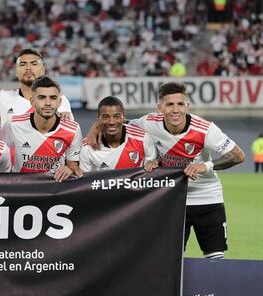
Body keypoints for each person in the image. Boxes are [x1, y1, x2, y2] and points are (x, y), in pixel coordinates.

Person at [88, 82, 245, 258]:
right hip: (172, 198)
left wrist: (206, 166)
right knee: (171, 258)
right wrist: (96, 126)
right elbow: (116, 122)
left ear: (187, 106)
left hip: (208, 197)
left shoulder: (205, 129)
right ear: (160, 107)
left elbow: (238, 155)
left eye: (180, 104)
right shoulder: (148, 122)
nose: (175, 110)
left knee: (215, 258)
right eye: (169, 104)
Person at [0, 76, 82, 182]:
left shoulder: (73, 130)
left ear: (60, 102)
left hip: (54, 190)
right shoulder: (13, 125)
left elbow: (73, 166)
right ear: (32, 101)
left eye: (53, 98)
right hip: (21, 189)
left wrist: (69, 169)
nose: (48, 103)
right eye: (41, 98)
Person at [0, 49, 74, 137]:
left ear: (43, 70)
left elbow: (68, 137)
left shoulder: (59, 100)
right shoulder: (1, 98)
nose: (28, 68)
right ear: (16, 72)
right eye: (23, 64)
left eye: (34, 64)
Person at [80, 96, 158, 172]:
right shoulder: (87, 147)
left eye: (117, 117)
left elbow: (150, 175)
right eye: (106, 117)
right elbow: (85, 182)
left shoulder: (143, 139)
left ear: (123, 117)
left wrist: (153, 163)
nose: (111, 122)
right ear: (98, 117)